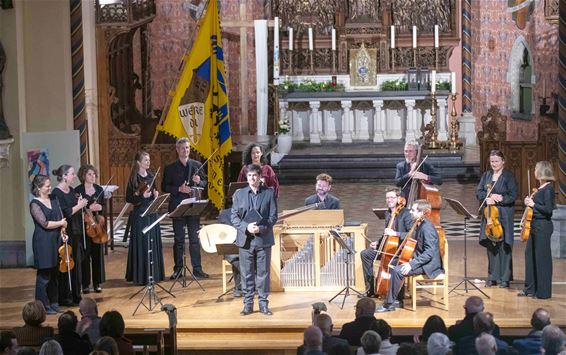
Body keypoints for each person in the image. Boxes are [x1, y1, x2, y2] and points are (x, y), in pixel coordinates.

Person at [376, 199, 443, 313]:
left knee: (398, 271)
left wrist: (411, 265)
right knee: (393, 263)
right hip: (420, 260)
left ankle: (389, 304)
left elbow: (429, 253)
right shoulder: (419, 224)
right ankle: (397, 298)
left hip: (429, 265)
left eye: (413, 210)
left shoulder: (427, 228)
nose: (410, 212)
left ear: (422, 213)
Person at [231, 164, 278, 316]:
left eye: (254, 175)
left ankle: (263, 304)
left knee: (263, 274)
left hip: (263, 239)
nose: (252, 178)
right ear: (247, 177)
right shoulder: (239, 194)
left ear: (260, 177)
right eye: (249, 176)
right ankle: (248, 304)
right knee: (246, 274)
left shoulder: (269, 193)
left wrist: (261, 228)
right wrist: (246, 227)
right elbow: (234, 217)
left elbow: (273, 216)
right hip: (246, 240)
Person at [161, 137, 209, 280]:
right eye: (182, 148)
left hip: (193, 206)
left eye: (187, 148)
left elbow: (205, 183)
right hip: (178, 207)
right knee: (179, 239)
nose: (185, 150)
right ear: (177, 150)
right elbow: (164, 187)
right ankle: (178, 269)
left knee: (194, 239)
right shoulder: (170, 168)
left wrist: (200, 181)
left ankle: (197, 269)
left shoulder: (197, 165)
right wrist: (179, 189)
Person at [360, 186, 412, 298]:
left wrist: (396, 234)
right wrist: (378, 243)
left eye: (392, 197)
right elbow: (386, 234)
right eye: (387, 198)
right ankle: (371, 290)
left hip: (400, 251)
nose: (389, 200)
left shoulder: (406, 214)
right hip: (387, 249)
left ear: (399, 198)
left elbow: (412, 234)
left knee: (395, 263)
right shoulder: (388, 213)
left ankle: (398, 295)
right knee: (365, 254)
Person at [476, 150, 518, 288]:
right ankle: (492, 276)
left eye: (496, 161)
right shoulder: (487, 175)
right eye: (492, 161)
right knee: (491, 245)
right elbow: (479, 191)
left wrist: (501, 198)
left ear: (503, 162)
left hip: (503, 215)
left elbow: (513, 195)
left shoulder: (508, 177)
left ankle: (505, 278)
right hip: (489, 215)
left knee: (504, 246)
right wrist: (486, 198)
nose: (494, 164)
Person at [29, 175, 68, 314]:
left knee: (54, 274)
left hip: (56, 239)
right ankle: (43, 305)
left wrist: (63, 230)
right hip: (43, 242)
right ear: (39, 188)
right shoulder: (34, 204)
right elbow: (44, 223)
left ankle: (54, 302)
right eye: (47, 186)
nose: (50, 187)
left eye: (50, 185)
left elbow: (61, 217)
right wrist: (61, 223)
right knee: (44, 275)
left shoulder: (54, 199)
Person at [125, 151, 165, 285]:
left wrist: (155, 194)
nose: (148, 162)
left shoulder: (151, 176)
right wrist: (143, 197)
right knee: (142, 242)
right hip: (140, 214)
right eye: (145, 160)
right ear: (138, 162)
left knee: (152, 241)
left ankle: (154, 273)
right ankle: (141, 275)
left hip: (151, 212)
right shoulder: (134, 179)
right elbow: (129, 198)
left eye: (149, 160)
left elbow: (154, 192)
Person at [51, 165, 89, 306]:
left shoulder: (72, 191)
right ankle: (65, 296)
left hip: (77, 231)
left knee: (77, 264)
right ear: (65, 176)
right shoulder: (56, 193)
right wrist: (79, 206)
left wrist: (80, 205)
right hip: (66, 233)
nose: (74, 176)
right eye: (72, 174)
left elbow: (75, 211)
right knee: (66, 265)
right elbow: (64, 213)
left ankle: (76, 295)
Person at [519, 161, 556, 299]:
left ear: (541, 171)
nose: (534, 170)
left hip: (543, 226)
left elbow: (548, 210)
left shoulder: (548, 189)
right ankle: (530, 288)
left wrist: (533, 204)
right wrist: (528, 203)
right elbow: (535, 206)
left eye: (536, 169)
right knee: (530, 256)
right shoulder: (540, 188)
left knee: (542, 259)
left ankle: (543, 292)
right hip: (534, 226)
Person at [75, 165, 106, 294]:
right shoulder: (78, 191)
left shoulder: (99, 189)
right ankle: (86, 284)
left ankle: (97, 283)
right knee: (85, 256)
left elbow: (103, 207)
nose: (93, 176)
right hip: (85, 226)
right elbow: (76, 209)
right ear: (83, 176)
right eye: (89, 174)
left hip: (97, 226)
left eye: (94, 174)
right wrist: (88, 209)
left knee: (97, 255)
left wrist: (99, 208)